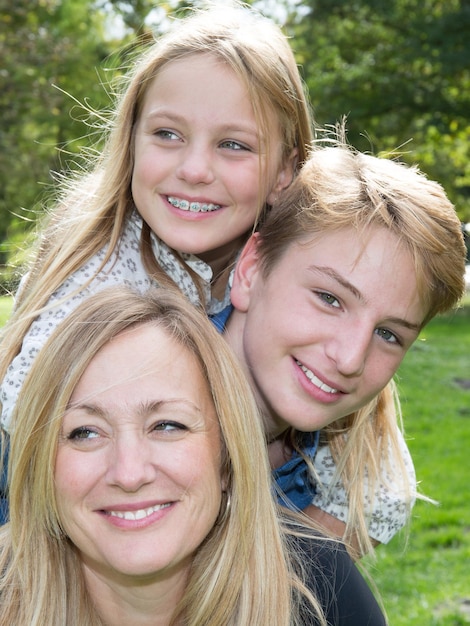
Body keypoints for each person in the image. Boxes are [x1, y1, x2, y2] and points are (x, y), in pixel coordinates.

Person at [0, 286, 386, 625]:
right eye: (84, 433)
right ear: (42, 467)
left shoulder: (321, 591)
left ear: (226, 456)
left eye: (168, 426)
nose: (129, 473)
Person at [219, 137, 467, 557]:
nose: (350, 358)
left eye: (389, 334)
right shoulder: (129, 408)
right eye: (330, 299)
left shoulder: (345, 482)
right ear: (251, 270)